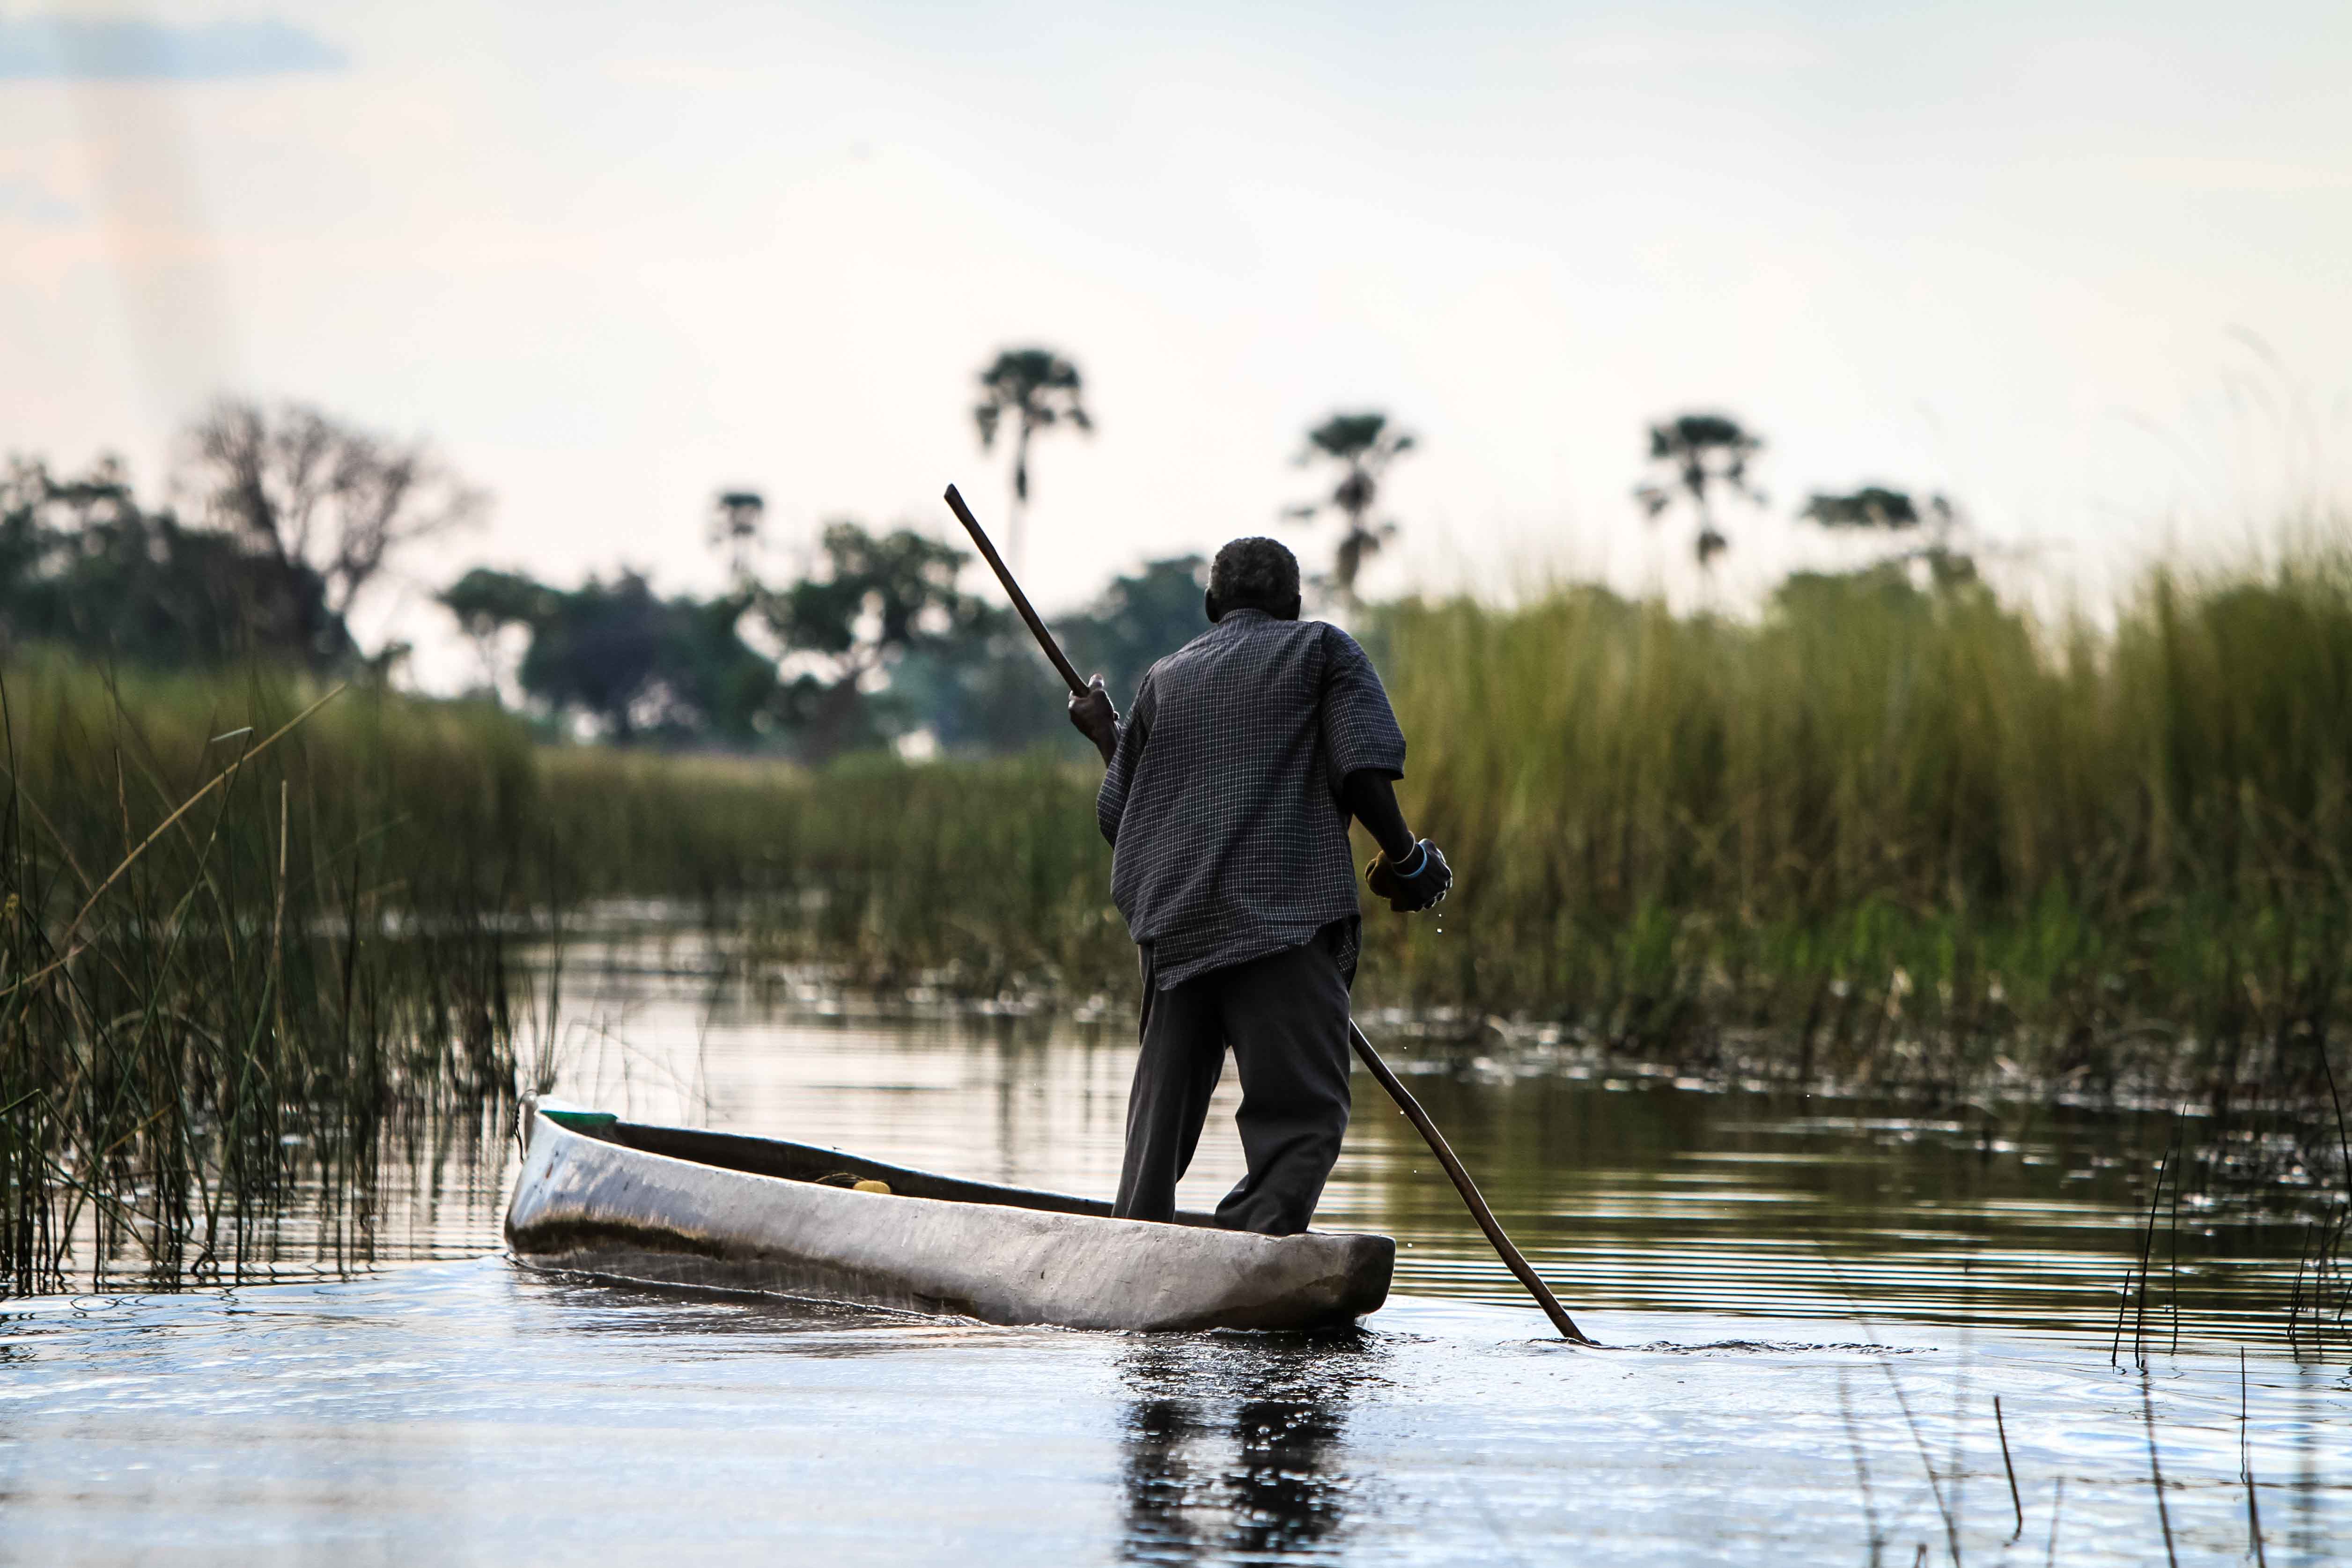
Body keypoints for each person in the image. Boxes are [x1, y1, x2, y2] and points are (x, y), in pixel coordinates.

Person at [1066, 537, 1453, 1236]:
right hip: (1280, 918)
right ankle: (1252, 1247)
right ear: (1295, 604)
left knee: (1157, 1131)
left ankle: (1133, 1247)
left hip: (1177, 927)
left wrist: (1108, 735)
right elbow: (1361, 767)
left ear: (1214, 605)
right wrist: (1409, 860)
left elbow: (1125, 816)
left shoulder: (1166, 677)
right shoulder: (1322, 651)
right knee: (1303, 1118)